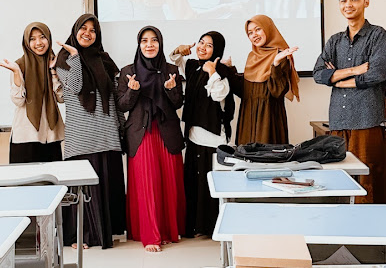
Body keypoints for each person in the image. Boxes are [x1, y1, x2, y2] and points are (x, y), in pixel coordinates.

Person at [312, 0, 386, 204]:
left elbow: (376, 74)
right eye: (343, 0)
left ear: (366, 2)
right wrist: (354, 70)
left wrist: (336, 78)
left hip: (366, 119)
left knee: (366, 179)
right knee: (338, 179)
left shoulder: (378, 35)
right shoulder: (335, 41)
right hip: (338, 120)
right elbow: (318, 74)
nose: (348, 4)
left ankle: (365, 237)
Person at [55, 14, 126, 249]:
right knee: (83, 187)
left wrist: (119, 125)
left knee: (105, 183)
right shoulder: (64, 58)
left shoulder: (104, 59)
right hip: (81, 135)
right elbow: (74, 88)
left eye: (93, 30)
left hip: (106, 130)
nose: (87, 33)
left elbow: (114, 94)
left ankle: (104, 233)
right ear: (75, 30)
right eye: (83, 28)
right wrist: (75, 58)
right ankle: (79, 235)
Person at [116, 26, 185, 252]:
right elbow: (122, 105)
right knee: (147, 184)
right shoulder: (127, 71)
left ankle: (167, 231)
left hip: (167, 132)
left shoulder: (171, 70)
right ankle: (151, 235)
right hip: (140, 133)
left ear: (160, 43)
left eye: (154, 40)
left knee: (168, 182)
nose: (149, 45)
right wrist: (133, 90)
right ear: (139, 45)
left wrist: (172, 90)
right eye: (144, 41)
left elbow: (177, 104)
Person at [170, 31, 235, 237]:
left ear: (217, 50)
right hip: (192, 135)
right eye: (201, 42)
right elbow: (175, 61)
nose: (202, 47)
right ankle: (195, 227)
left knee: (209, 185)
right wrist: (179, 50)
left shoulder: (223, 71)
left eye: (209, 45)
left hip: (213, 138)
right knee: (193, 185)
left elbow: (220, 95)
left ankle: (212, 228)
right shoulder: (192, 66)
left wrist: (212, 73)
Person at [0, 22, 64, 163]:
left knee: (53, 182)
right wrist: (17, 74)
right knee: (26, 183)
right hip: (25, 137)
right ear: (26, 42)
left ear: (49, 39)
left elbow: (61, 98)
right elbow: (18, 101)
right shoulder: (19, 65)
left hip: (50, 136)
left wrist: (53, 71)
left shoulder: (55, 63)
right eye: (32, 39)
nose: (38, 42)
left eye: (42, 37)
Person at [228, 14, 299, 145]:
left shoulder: (281, 55)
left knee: (267, 159)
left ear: (268, 29)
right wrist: (229, 69)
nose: (254, 35)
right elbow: (245, 91)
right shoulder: (252, 56)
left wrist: (276, 64)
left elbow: (277, 92)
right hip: (248, 119)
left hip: (269, 121)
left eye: (258, 29)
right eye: (250, 32)